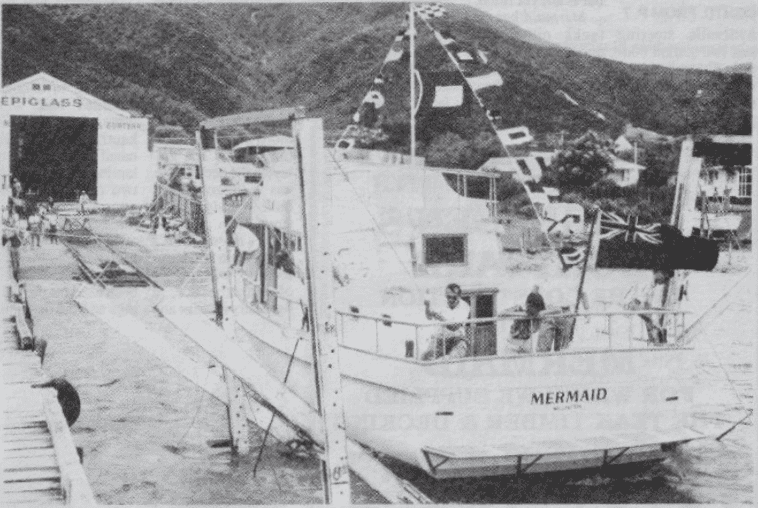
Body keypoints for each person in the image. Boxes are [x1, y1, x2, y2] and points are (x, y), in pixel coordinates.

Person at [422, 283, 471, 360]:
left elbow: (454, 327)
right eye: (448, 297)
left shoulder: (464, 307)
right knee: (425, 357)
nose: (450, 300)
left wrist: (439, 317)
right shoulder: (441, 304)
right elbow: (429, 317)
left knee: (452, 358)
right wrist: (427, 307)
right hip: (440, 339)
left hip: (457, 340)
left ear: (459, 296)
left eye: (454, 297)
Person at [624, 268, 673, 343]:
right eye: (664, 277)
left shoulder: (656, 284)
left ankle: (655, 338)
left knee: (651, 321)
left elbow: (648, 301)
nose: (663, 280)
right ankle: (655, 338)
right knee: (650, 320)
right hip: (636, 303)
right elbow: (642, 299)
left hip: (642, 305)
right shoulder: (648, 282)